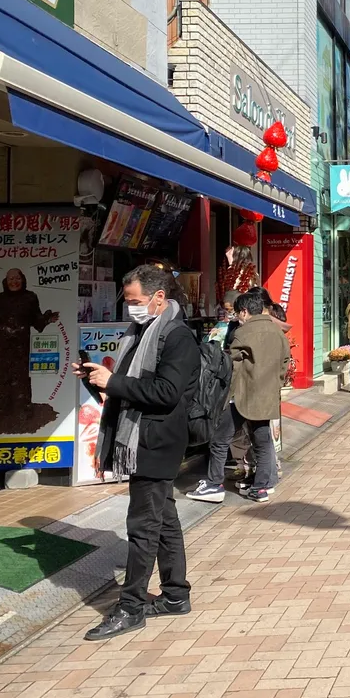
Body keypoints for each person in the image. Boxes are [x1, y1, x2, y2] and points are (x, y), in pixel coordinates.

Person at [76, 265, 198, 641]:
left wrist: (114, 381)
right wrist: (99, 380)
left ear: (159, 298)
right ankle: (176, 595)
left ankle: (130, 607)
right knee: (164, 519)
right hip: (143, 438)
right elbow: (130, 389)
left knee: (143, 526)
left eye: (135, 301)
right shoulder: (140, 333)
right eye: (128, 301)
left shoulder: (177, 337)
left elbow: (165, 392)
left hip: (156, 441)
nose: (130, 308)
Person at [189, 290, 287, 507]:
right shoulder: (276, 330)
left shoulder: (243, 333)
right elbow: (285, 361)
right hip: (266, 395)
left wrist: (225, 394)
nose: (236, 316)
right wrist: (276, 384)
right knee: (262, 442)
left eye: (237, 312)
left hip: (241, 397)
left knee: (220, 439)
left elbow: (233, 367)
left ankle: (214, 484)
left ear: (244, 311)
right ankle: (261, 487)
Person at [0, 268, 60, 434]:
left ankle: (22, 413)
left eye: (17, 278)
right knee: (1, 377)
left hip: (21, 346)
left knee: (21, 378)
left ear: (23, 279)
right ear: (5, 282)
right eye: (10, 278)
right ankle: (2, 410)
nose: (14, 281)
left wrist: (48, 318)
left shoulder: (30, 297)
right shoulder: (0, 298)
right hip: (2, 346)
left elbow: (37, 322)